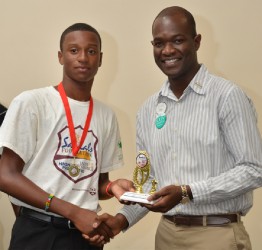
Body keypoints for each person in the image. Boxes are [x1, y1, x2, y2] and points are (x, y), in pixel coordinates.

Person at [91, 6, 262, 250]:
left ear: (197, 41)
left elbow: (254, 169)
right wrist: (120, 221)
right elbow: (149, 184)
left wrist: (187, 192)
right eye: (159, 43)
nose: (168, 50)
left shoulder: (227, 96)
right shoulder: (148, 109)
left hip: (216, 234)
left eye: (178, 40)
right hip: (166, 235)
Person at [0, 23, 134, 250]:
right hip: (38, 232)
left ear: (100, 59)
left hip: (86, 235)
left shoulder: (106, 115)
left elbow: (96, 183)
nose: (83, 57)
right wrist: (72, 212)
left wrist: (112, 187)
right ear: (61, 57)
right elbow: (5, 175)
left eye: (91, 51)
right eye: (74, 50)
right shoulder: (32, 103)